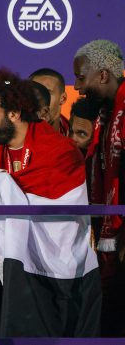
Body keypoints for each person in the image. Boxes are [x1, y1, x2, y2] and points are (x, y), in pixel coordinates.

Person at [0, 69, 100, 337]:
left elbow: (59, 206)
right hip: (14, 275)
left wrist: (7, 191)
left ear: (14, 114)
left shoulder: (60, 150)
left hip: (60, 278)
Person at [73, 39, 125, 337]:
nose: (78, 88)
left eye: (82, 77)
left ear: (103, 75)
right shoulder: (107, 116)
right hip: (112, 240)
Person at [29, 68, 69, 135]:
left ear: (63, 98)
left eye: (47, 93)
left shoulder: (77, 138)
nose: (38, 100)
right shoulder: (10, 138)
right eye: (33, 93)